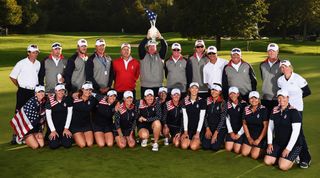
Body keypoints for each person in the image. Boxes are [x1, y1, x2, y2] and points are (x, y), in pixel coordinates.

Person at [277, 60, 312, 168]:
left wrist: (295, 100)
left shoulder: (298, 78)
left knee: (299, 133)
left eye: (286, 67)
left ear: (290, 67)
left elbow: (307, 91)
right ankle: (294, 154)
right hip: (285, 109)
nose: (284, 69)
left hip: (297, 109)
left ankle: (306, 158)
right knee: (288, 131)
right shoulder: (280, 80)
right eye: (282, 67)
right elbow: (281, 95)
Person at [9, 44, 41, 144]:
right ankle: (16, 136)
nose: (35, 54)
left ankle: (29, 134)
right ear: (28, 53)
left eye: (36, 52)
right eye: (33, 52)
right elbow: (12, 76)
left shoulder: (38, 63)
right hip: (23, 91)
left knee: (33, 112)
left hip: (34, 91)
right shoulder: (21, 63)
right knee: (19, 112)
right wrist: (20, 86)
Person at [264, 90, 303, 171]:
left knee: (283, 166)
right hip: (278, 143)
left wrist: (288, 148)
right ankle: (281, 155)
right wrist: (270, 143)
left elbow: (296, 133)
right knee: (267, 161)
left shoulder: (294, 112)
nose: (281, 100)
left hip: (293, 144)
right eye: (279, 97)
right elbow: (270, 127)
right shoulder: (275, 110)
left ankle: (296, 156)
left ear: (288, 98)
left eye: (284, 97)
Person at [10, 85, 46, 149]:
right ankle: (23, 137)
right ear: (35, 93)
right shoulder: (32, 103)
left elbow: (41, 118)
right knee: (35, 146)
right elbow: (30, 120)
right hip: (27, 127)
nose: (41, 94)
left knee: (42, 145)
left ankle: (33, 136)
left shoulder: (44, 102)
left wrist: (39, 131)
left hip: (36, 126)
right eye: (39, 92)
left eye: (42, 92)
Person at [138, 31, 168, 97]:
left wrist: (161, 38)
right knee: (145, 106)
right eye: (150, 46)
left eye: (153, 46)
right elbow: (140, 47)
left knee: (157, 106)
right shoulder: (143, 56)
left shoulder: (160, 56)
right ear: (147, 48)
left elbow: (165, 47)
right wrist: (147, 38)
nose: (152, 48)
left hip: (158, 86)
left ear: (156, 48)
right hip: (145, 86)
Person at [69, 81, 97, 148]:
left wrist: (117, 103)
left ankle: (81, 136)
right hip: (76, 126)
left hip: (86, 125)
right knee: (83, 145)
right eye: (86, 89)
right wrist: (72, 94)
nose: (88, 91)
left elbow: (104, 99)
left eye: (90, 90)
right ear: (82, 89)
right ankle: (74, 136)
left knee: (90, 144)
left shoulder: (92, 100)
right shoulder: (75, 98)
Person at [241, 91, 268, 159]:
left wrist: (259, 139)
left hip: (261, 135)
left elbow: (266, 126)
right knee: (244, 153)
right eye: (251, 98)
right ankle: (254, 147)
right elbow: (244, 124)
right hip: (251, 134)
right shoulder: (246, 109)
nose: (253, 100)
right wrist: (249, 138)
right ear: (249, 99)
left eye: (255, 98)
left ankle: (265, 149)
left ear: (259, 100)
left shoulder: (263, 109)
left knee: (254, 156)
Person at [45, 83, 73, 149]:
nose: (61, 92)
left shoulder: (68, 99)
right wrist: (53, 130)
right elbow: (48, 117)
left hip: (65, 127)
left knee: (67, 144)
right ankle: (57, 139)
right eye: (59, 90)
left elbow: (70, 114)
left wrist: (66, 128)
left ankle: (62, 139)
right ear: (55, 91)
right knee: (53, 145)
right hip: (54, 127)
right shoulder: (50, 101)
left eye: (62, 90)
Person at [180, 82, 206, 151]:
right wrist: (185, 132)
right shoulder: (184, 101)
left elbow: (202, 118)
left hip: (198, 129)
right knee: (184, 146)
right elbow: (185, 117)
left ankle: (197, 142)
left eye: (196, 88)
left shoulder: (202, 101)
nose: (194, 90)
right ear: (189, 89)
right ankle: (191, 141)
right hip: (188, 128)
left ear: (198, 90)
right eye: (192, 88)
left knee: (193, 147)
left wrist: (197, 133)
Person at [202, 83, 227, 151]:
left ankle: (223, 139)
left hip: (220, 128)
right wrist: (207, 128)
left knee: (214, 147)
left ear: (220, 92)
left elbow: (222, 119)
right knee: (205, 146)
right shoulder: (207, 100)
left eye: (216, 90)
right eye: (212, 89)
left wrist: (216, 133)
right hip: (209, 127)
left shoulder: (223, 103)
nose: (213, 92)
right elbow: (204, 116)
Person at [260, 43, 282, 117]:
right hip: (265, 97)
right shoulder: (262, 64)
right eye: (270, 50)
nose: (271, 52)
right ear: (267, 51)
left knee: (276, 122)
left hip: (277, 98)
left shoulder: (282, 65)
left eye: (274, 51)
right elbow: (264, 78)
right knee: (265, 121)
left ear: (277, 51)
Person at [225, 87, 247, 154]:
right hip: (231, 130)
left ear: (238, 94)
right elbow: (227, 119)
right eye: (230, 94)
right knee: (228, 148)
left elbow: (245, 121)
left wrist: (239, 134)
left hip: (241, 131)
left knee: (236, 150)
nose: (232, 95)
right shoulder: (226, 104)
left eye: (234, 93)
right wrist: (231, 132)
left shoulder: (244, 104)